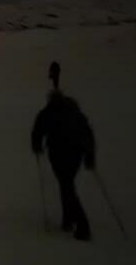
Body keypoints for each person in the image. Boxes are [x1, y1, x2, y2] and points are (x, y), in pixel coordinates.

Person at [32, 91, 96, 241]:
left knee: (66, 186)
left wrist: (37, 145)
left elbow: (38, 130)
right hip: (75, 155)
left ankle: (82, 225)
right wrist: (89, 156)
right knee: (66, 184)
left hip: (60, 154)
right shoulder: (74, 112)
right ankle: (67, 220)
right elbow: (87, 134)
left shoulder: (50, 112)